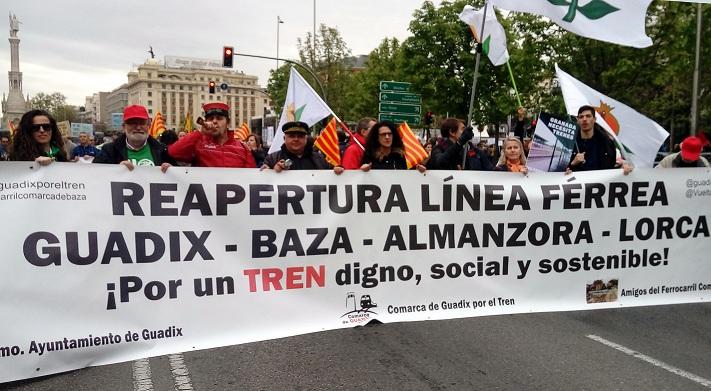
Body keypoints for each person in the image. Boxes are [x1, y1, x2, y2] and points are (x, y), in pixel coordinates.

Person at [168, 102, 255, 168]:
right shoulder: (199, 143)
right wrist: (199, 133)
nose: (214, 121)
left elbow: (252, 177)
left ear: (227, 123)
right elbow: (174, 152)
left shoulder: (242, 148)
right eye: (210, 118)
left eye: (219, 118)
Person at [94, 105, 174, 172]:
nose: (138, 127)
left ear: (148, 126)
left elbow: (180, 179)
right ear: (124, 127)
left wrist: (172, 170)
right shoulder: (109, 150)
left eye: (142, 123)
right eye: (133, 123)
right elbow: (94, 175)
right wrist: (116, 170)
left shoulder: (163, 150)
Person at [568, 105, 633, 175]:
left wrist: (623, 167)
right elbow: (560, 171)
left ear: (594, 119)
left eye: (588, 116)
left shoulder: (607, 143)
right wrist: (573, 164)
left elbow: (612, 167)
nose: (584, 119)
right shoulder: (571, 144)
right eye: (581, 117)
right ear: (577, 120)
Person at [262, 121, 331, 171]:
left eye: (300, 136)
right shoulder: (272, 159)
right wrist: (271, 172)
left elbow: (332, 181)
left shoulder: (319, 159)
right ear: (284, 139)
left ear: (306, 139)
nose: (296, 139)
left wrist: (338, 172)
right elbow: (263, 182)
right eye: (291, 136)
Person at [359, 120, 426, 172]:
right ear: (377, 137)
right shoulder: (370, 157)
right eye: (383, 134)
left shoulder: (401, 157)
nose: (387, 137)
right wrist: (362, 171)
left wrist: (418, 171)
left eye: (389, 134)